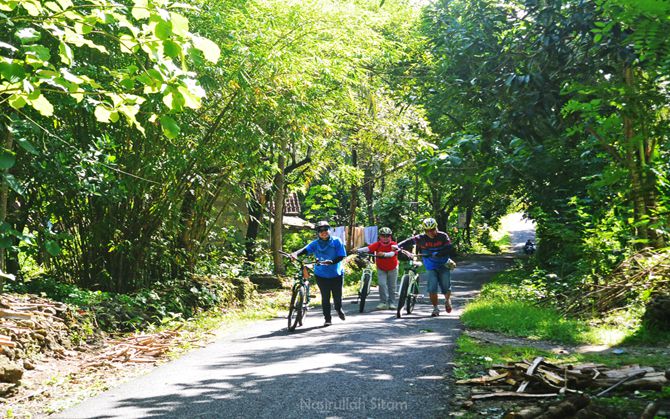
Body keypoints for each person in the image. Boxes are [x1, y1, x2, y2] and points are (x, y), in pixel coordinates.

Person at [394, 217, 456, 317]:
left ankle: (447, 300)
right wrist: (397, 246)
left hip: (443, 264)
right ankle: (435, 308)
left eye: (432, 230)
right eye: (427, 230)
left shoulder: (443, 236)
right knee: (432, 288)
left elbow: (450, 248)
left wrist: (438, 253)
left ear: (436, 228)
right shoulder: (420, 238)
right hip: (430, 266)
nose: (430, 232)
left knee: (445, 286)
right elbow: (408, 241)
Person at [290, 221, 347, 327]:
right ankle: (327, 319)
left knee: (337, 297)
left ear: (329, 230)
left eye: (325, 229)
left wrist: (332, 262)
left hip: (336, 274)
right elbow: (305, 250)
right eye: (320, 231)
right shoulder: (315, 244)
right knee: (325, 297)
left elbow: (341, 256)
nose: (323, 232)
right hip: (321, 275)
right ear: (317, 233)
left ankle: (338, 309)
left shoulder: (336, 241)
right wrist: (295, 254)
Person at [355, 227, 399, 310]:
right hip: (381, 268)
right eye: (383, 236)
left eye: (387, 236)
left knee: (391, 286)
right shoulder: (377, 244)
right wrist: (357, 250)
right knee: (382, 284)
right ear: (380, 236)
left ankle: (392, 303)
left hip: (392, 267)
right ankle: (383, 302)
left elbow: (392, 254)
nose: (385, 238)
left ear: (390, 236)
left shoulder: (394, 244)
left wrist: (384, 254)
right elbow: (368, 249)